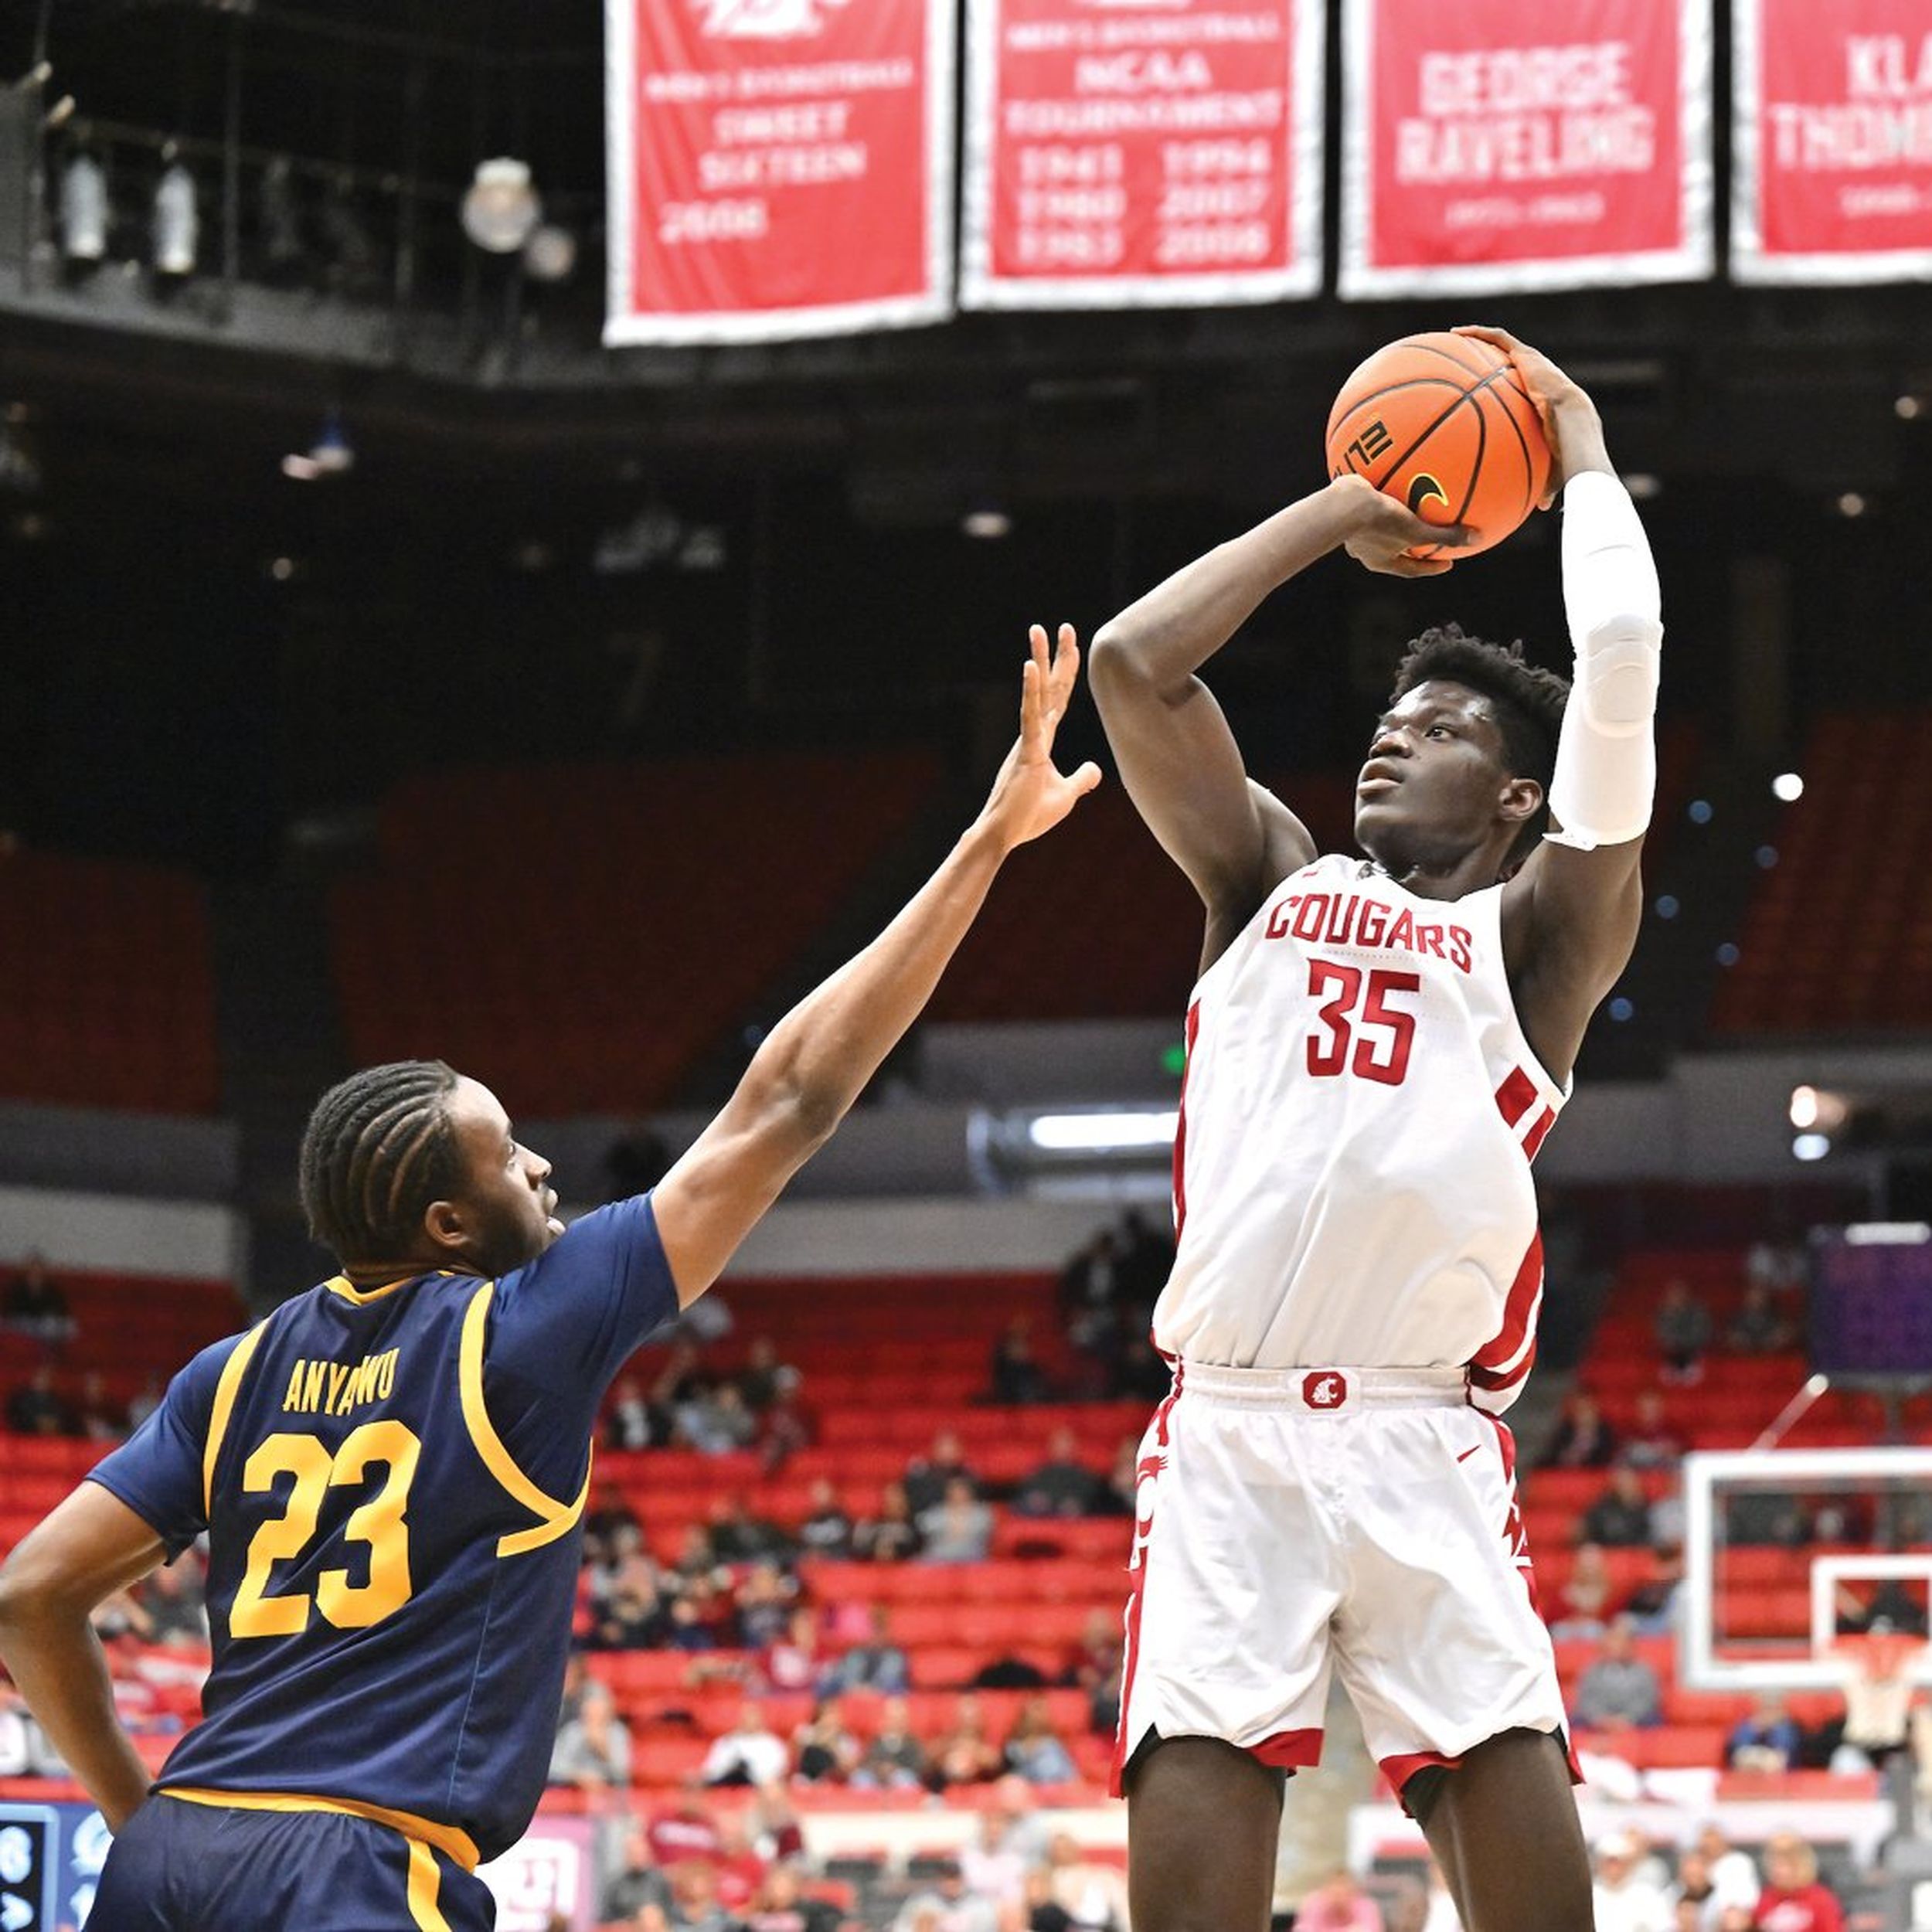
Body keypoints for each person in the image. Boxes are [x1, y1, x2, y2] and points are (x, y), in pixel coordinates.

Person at [0, 634, 1100, 1932]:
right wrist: (986, 844)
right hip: (357, 1869)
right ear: (450, 1222)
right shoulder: (525, 1332)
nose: (541, 1166)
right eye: (510, 1155)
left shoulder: (227, 1376)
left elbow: (28, 1597)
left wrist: (144, 1817)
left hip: (171, 1861)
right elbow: (792, 1097)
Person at [1087, 325, 1662, 1932]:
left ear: (1514, 799)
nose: (1394, 732)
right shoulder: (1264, 878)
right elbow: (1135, 665)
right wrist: (1346, 505)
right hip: (1228, 1431)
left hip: (1425, 1435)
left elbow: (1616, 672)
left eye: (1445, 724)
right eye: (1390, 711)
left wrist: (1585, 455)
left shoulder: (1539, 939)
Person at [1570, 1617, 1662, 1733]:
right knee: (1575, 1720)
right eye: (1612, 1640)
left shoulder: (1645, 1671)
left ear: (1630, 1645)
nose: (1614, 1646)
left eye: (1620, 1641)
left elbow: (1647, 1701)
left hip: (1634, 1721)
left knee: (1653, 1720)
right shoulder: (1591, 1671)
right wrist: (1600, 1719)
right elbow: (1586, 1700)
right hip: (1599, 1721)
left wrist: (1627, 1719)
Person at [1753, 1833, 1843, 1932]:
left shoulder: (1822, 1900)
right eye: (1775, 1864)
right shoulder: (1765, 1899)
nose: (1779, 1871)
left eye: (1787, 1865)